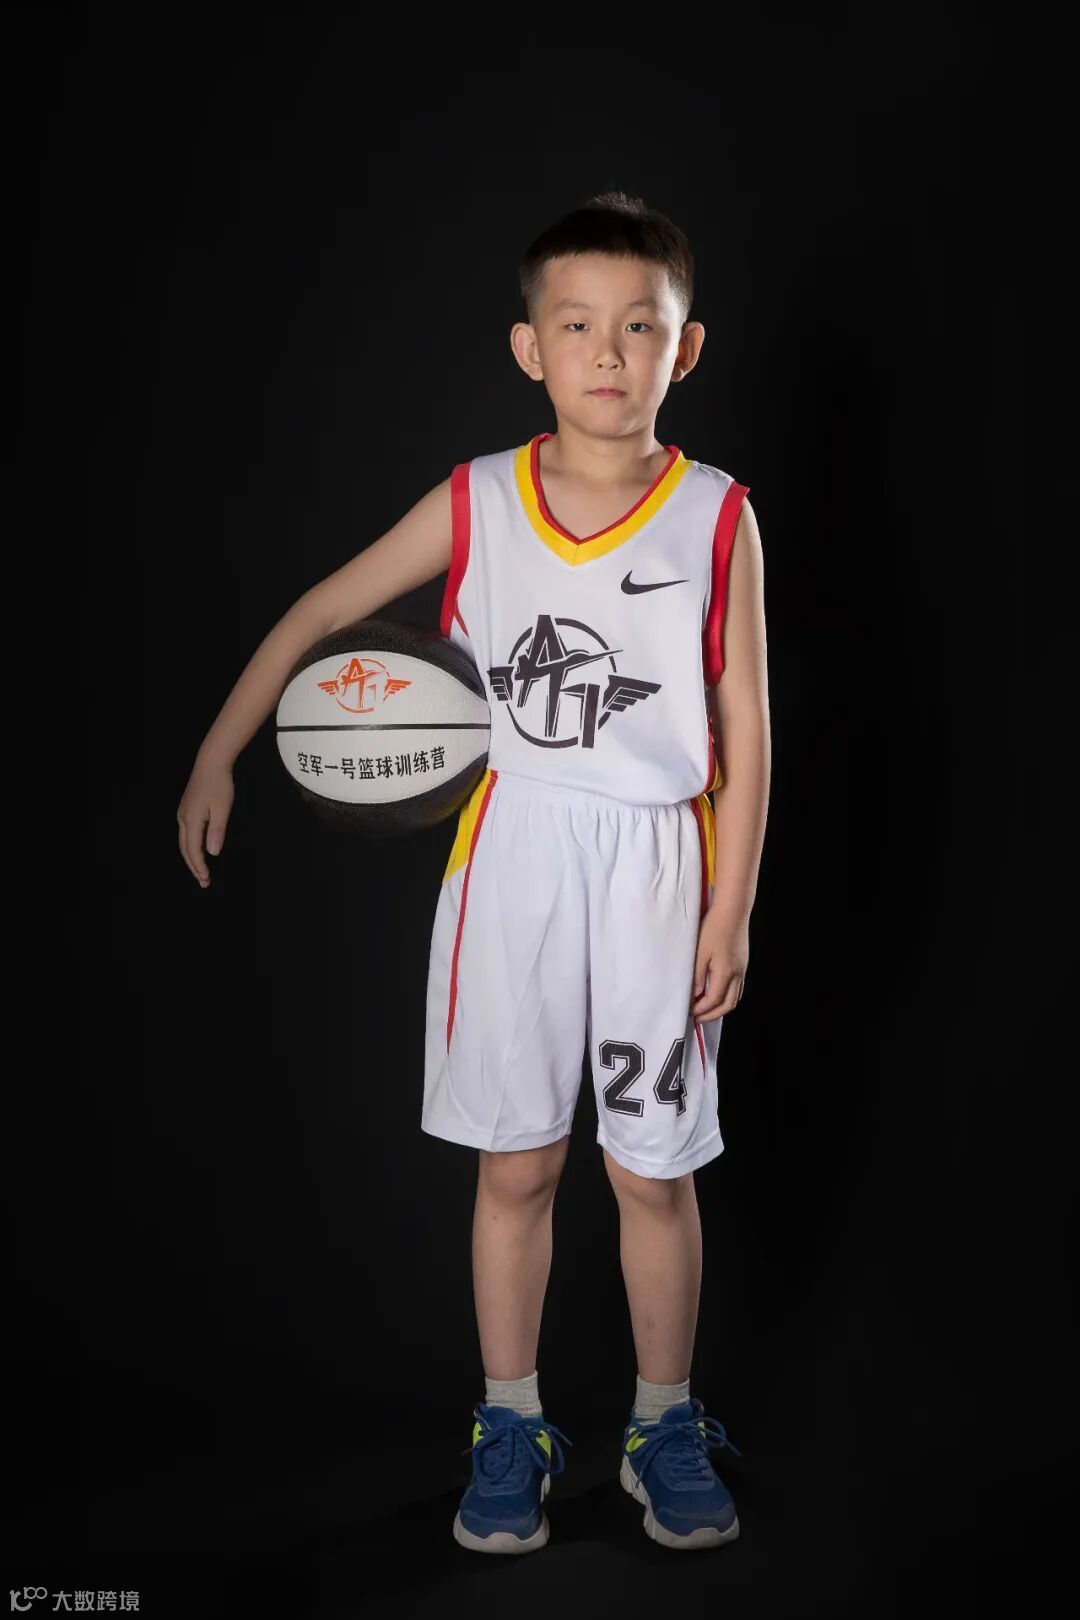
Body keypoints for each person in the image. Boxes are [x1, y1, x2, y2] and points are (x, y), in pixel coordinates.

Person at [178, 190, 770, 1556]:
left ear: (685, 350)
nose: (608, 351)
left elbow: (745, 724)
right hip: (514, 861)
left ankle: (663, 1424)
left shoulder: (718, 515)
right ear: (529, 348)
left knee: (652, 1169)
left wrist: (732, 902)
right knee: (517, 1164)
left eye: (640, 326)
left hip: (657, 868)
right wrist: (221, 748)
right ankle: (510, 1426)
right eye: (578, 325)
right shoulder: (482, 498)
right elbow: (328, 608)